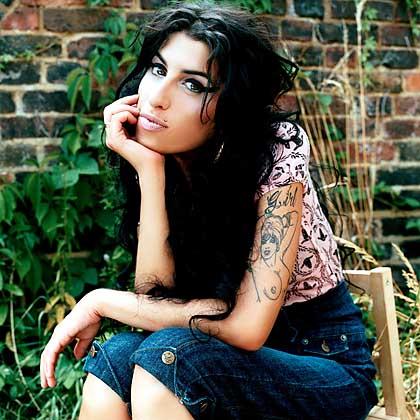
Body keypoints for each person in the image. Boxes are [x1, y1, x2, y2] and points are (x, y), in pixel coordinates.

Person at [39, 1, 379, 419]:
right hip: (211, 354)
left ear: (230, 105)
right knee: (117, 359)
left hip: (319, 365)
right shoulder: (164, 157)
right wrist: (150, 172)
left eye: (193, 85)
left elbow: (246, 329)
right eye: (158, 70)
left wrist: (100, 302)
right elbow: (155, 298)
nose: (156, 98)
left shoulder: (276, 151)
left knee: (169, 360)